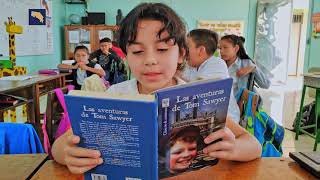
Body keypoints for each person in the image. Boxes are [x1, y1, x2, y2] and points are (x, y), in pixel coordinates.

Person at [52, 3, 262, 174]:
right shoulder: (115, 95)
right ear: (126, 55)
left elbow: (253, 145)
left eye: (162, 49)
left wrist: (233, 148)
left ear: (181, 54)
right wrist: (68, 153)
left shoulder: (197, 97)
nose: (150, 60)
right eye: (137, 51)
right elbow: (58, 147)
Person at [181, 29, 240, 123]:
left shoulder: (216, 63)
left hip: (226, 122)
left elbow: (196, 92)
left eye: (187, 48)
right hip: (206, 117)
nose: (183, 52)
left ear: (201, 50)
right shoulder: (194, 66)